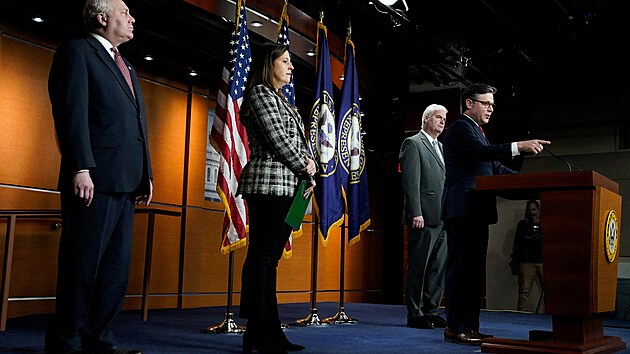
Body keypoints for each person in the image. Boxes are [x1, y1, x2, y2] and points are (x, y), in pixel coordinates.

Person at [45, 0, 152, 353]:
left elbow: (136, 126)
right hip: (94, 180)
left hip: (127, 182)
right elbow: (71, 114)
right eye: (125, 12)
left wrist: (146, 174)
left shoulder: (127, 67)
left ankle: (99, 341)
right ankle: (65, 343)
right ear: (103, 17)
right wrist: (80, 167)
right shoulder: (77, 52)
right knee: (81, 267)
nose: (132, 18)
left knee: (115, 272)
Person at [441, 83, 550, 345]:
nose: (491, 108)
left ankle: (470, 327)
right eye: (486, 103)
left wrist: (537, 184)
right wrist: (518, 146)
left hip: (477, 211)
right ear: (469, 103)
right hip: (463, 209)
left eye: (492, 104)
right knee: (461, 271)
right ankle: (455, 327)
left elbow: (496, 168)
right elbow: (482, 154)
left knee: (474, 273)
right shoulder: (460, 128)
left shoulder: (479, 133)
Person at [237, 42, 316, 354]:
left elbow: (295, 140)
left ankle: (266, 331)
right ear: (269, 64)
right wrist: (305, 165)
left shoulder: (282, 99)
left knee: (270, 262)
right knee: (262, 258)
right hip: (268, 186)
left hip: (287, 187)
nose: (291, 66)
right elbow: (278, 139)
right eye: (285, 61)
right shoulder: (259, 93)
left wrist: (308, 172)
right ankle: (258, 331)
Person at [399, 104, 448, 330]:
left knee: (437, 267)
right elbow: (410, 181)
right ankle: (415, 312)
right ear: (426, 119)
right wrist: (415, 212)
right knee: (420, 265)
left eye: (444, 118)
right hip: (423, 216)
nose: (442, 121)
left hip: (443, 217)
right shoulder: (413, 143)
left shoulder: (440, 146)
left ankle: (431, 310)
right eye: (438, 117)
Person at [510, 200, 544, 312]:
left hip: (542, 260)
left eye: (534, 209)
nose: (532, 212)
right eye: (530, 210)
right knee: (524, 290)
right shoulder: (523, 224)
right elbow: (517, 243)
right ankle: (522, 314)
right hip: (527, 260)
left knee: (549, 290)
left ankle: (551, 314)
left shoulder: (545, 223)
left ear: (539, 209)